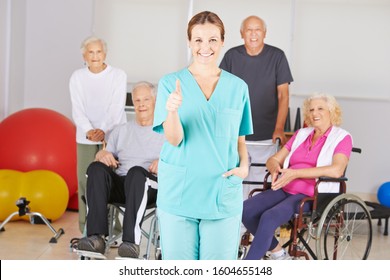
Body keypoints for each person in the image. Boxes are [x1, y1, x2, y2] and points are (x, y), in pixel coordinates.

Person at [153, 11, 253, 260]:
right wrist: (172, 110)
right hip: (180, 193)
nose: (205, 47)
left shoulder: (238, 87)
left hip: (222, 192)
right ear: (189, 42)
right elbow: (174, 139)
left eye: (212, 40)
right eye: (198, 40)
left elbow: (240, 139)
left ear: (221, 42)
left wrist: (244, 167)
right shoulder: (170, 83)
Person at [241, 93, 353, 260]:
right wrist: (274, 168)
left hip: (311, 194)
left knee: (269, 217)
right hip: (285, 187)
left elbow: (336, 170)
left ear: (332, 111)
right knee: (245, 210)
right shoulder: (301, 134)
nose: (315, 113)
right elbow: (273, 159)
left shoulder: (342, 137)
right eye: (311, 109)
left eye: (320, 109)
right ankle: (279, 253)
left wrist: (296, 173)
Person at [76, 81, 164, 258]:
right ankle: (96, 238)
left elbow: (182, 161)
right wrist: (101, 156)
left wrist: (165, 162)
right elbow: (104, 155)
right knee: (95, 168)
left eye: (146, 99)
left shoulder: (167, 130)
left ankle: (130, 243)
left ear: (155, 100)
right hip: (122, 184)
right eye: (137, 100)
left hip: (149, 185)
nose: (141, 104)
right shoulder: (121, 130)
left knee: (136, 173)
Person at [219, 15, 294, 201]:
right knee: (237, 182)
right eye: (249, 30)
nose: (253, 34)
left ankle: (253, 228)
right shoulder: (231, 56)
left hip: (267, 135)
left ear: (265, 33)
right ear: (242, 33)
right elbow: (222, 93)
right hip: (238, 134)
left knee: (260, 184)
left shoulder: (277, 56)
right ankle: (238, 226)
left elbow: (283, 95)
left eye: (257, 30)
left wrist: (279, 128)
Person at [69, 36, 127, 233]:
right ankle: (87, 228)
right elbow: (77, 108)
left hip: (112, 135)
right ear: (84, 55)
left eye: (99, 52)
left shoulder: (118, 75)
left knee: (112, 180)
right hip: (85, 137)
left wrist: (103, 130)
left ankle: (114, 228)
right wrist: (89, 130)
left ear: (105, 54)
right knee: (86, 182)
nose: (95, 56)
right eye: (91, 52)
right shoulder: (77, 77)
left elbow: (116, 107)